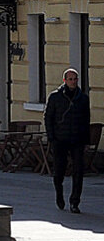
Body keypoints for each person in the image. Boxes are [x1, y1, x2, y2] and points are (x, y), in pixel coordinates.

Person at [44, 68, 91, 213]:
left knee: (78, 170)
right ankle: (59, 194)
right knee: (59, 171)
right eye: (70, 79)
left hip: (77, 140)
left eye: (75, 79)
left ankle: (75, 202)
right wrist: (51, 137)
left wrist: (86, 141)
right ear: (64, 81)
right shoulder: (55, 97)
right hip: (60, 139)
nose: (73, 81)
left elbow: (86, 120)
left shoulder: (82, 98)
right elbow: (48, 117)